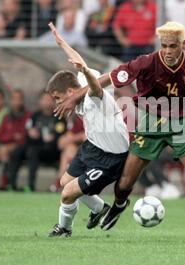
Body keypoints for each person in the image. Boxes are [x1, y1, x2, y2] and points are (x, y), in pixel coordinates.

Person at [54, 21, 185, 243]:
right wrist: (75, 96)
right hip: (150, 123)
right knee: (124, 184)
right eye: (164, 46)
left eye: (173, 46)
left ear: (184, 44)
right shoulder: (147, 62)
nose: (168, 51)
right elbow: (109, 77)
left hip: (181, 123)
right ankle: (118, 206)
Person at [47, 22, 129, 237]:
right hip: (92, 146)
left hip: (111, 157)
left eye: (58, 98)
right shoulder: (81, 78)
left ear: (72, 91)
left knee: (67, 194)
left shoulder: (93, 97)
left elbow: (95, 87)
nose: (57, 103)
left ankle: (64, 229)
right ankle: (100, 208)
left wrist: (84, 72)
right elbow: (79, 63)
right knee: (65, 182)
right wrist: (61, 42)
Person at [7, 91, 67, 192]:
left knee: (32, 152)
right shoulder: (34, 116)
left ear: (54, 102)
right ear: (40, 101)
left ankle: (30, 185)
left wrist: (50, 138)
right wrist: (31, 134)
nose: (46, 102)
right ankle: (11, 185)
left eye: (49, 100)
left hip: (51, 151)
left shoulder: (59, 116)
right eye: (44, 99)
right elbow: (28, 134)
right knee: (17, 151)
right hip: (35, 146)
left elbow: (59, 136)